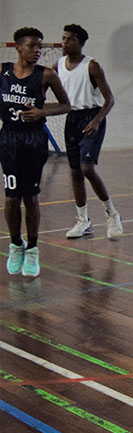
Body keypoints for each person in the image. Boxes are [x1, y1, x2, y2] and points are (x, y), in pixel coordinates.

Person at [2, 27, 71, 278]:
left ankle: (32, 248)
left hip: (33, 139)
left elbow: (66, 104)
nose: (38, 50)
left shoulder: (46, 75)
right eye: (32, 46)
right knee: (11, 197)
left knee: (30, 197)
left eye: (39, 46)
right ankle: (15, 244)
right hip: (9, 138)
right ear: (18, 47)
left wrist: (43, 112)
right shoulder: (3, 71)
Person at [58, 24, 121, 239]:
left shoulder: (92, 66)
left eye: (69, 39)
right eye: (63, 38)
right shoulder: (58, 65)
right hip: (72, 119)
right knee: (75, 171)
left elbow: (109, 100)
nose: (64, 42)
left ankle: (111, 213)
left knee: (87, 168)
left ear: (80, 43)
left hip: (92, 117)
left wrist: (96, 121)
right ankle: (83, 221)